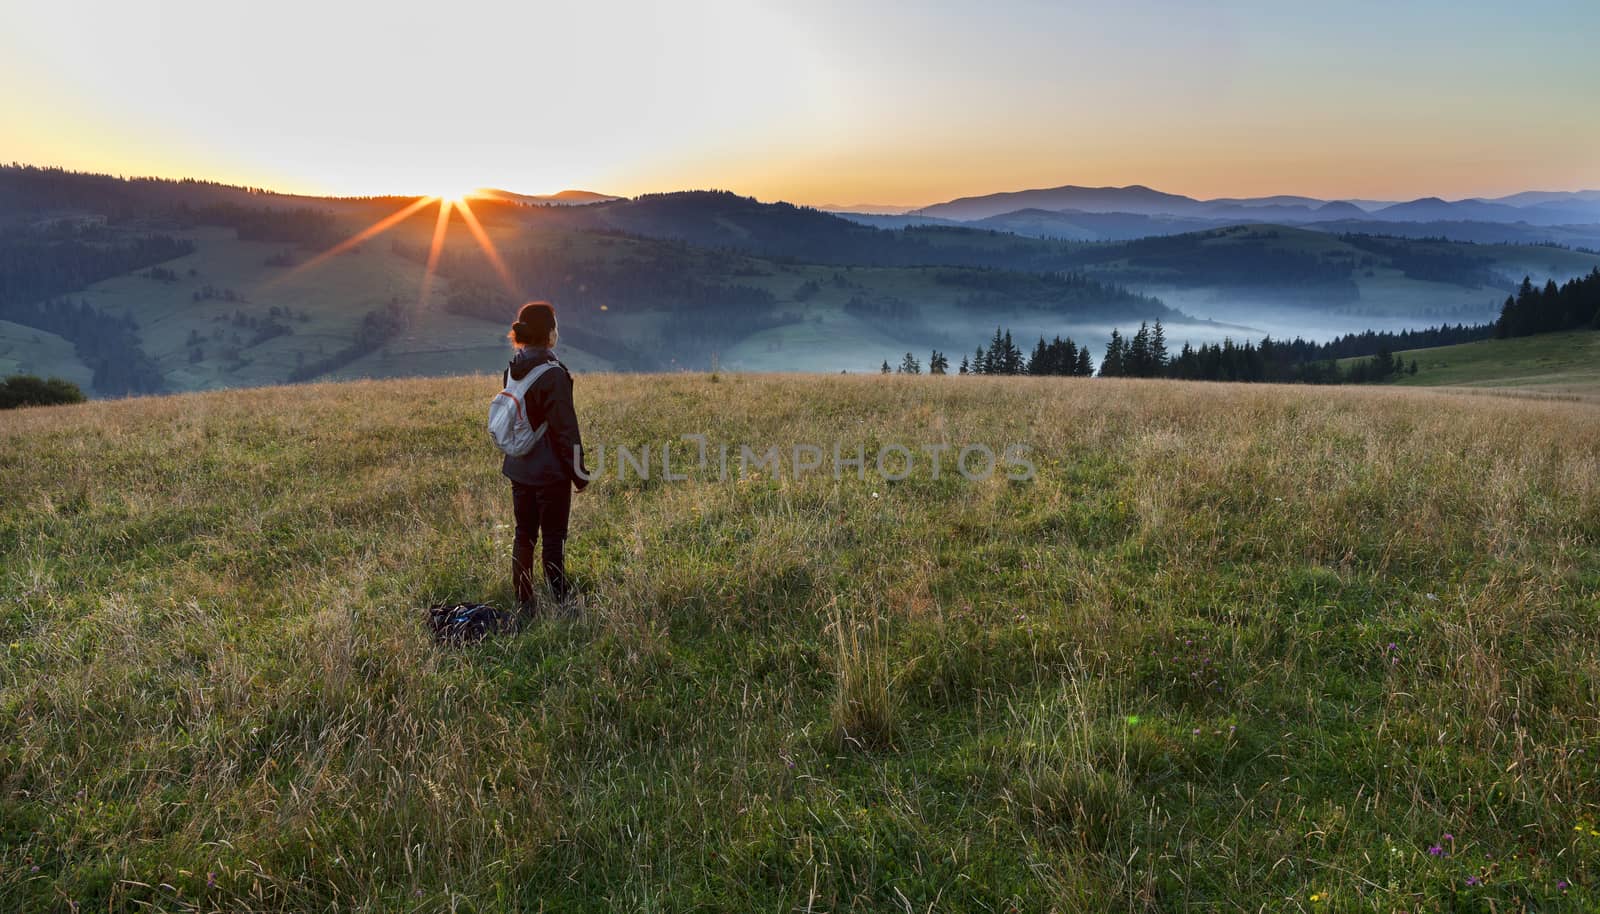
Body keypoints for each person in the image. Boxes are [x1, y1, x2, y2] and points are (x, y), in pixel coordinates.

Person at [500, 301, 588, 616]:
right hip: (550, 472)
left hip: (519, 466)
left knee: (523, 533)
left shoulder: (513, 368)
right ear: (549, 333)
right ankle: (561, 600)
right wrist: (580, 473)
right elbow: (566, 431)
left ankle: (525, 601)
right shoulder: (554, 375)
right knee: (553, 537)